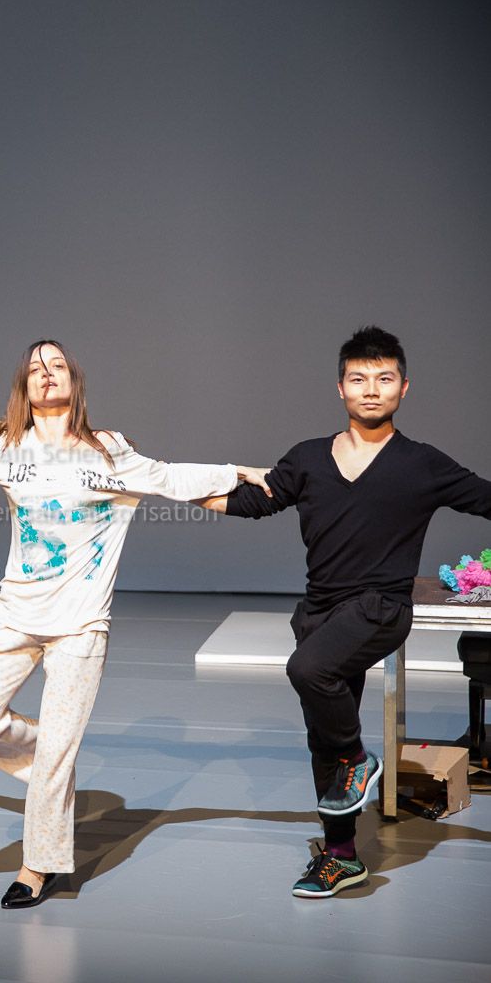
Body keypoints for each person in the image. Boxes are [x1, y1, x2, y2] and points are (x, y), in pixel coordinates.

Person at [0, 339, 267, 908]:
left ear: (74, 382)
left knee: (57, 755)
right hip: (14, 615)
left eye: (56, 365)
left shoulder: (108, 452)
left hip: (81, 624)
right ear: (23, 388)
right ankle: (53, 758)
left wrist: (238, 471)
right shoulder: (6, 450)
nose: (46, 373)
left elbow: (169, 477)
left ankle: (38, 865)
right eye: (36, 368)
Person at [199, 326, 491, 899]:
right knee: (321, 738)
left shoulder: (422, 464)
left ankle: (359, 759)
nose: (371, 390)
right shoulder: (308, 457)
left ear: (404, 388)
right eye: (359, 379)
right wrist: (164, 486)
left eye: (384, 379)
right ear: (341, 388)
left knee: (308, 671)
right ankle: (341, 856)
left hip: (380, 607)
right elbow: (252, 502)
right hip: (321, 611)